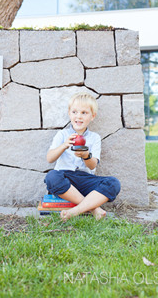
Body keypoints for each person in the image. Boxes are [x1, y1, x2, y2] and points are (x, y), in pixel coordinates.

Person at [44, 93, 120, 221]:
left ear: (92, 116)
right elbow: (50, 158)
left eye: (84, 113)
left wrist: (86, 156)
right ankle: (93, 208)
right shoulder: (62, 134)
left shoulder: (95, 138)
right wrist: (64, 145)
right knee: (51, 177)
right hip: (65, 178)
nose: (78, 116)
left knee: (113, 183)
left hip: (86, 180)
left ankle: (75, 211)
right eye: (75, 112)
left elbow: (93, 165)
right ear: (69, 113)